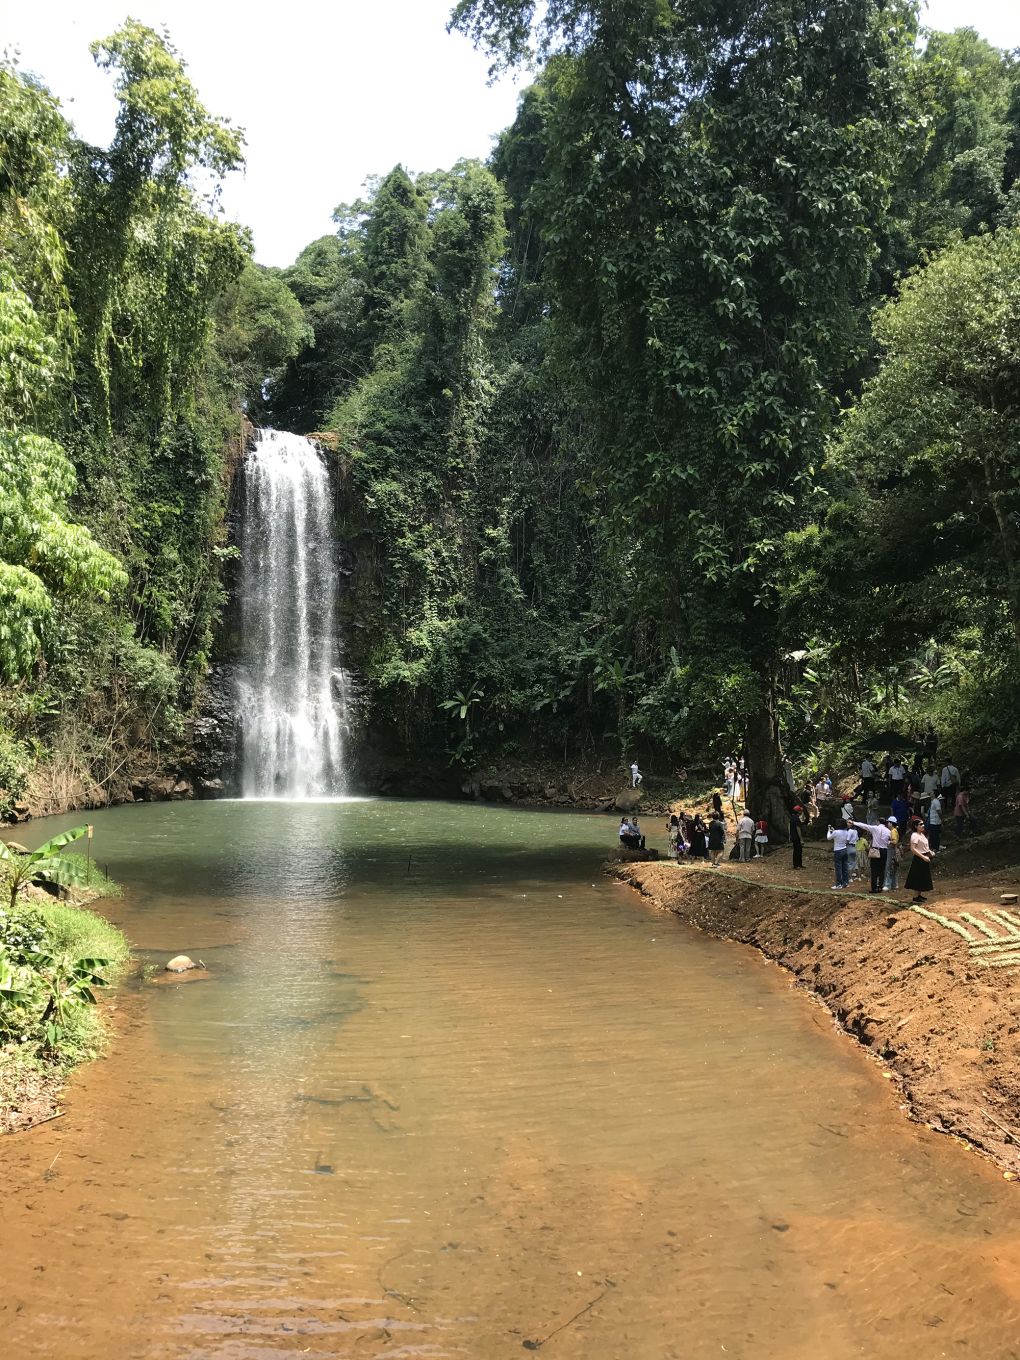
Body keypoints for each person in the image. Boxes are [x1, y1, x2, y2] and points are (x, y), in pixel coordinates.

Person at [849, 816, 894, 894]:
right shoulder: (888, 831)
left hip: (875, 850)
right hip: (884, 850)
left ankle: (874, 887)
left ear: (878, 822)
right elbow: (888, 841)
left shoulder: (875, 828)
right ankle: (880, 886)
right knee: (882, 869)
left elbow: (864, 825)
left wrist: (853, 823)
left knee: (874, 869)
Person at [904, 815, 934, 901]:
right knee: (918, 877)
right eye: (921, 824)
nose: (923, 826)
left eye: (923, 824)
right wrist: (923, 857)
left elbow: (925, 846)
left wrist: (930, 851)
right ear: (916, 826)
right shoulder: (915, 835)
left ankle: (919, 895)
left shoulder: (922, 835)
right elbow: (913, 849)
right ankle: (915, 896)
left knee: (922, 877)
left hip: (924, 856)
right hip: (919, 858)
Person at [827, 821, 854, 889]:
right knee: (845, 867)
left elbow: (829, 837)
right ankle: (846, 882)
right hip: (844, 849)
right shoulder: (846, 832)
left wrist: (829, 831)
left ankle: (838, 884)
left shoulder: (836, 832)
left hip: (838, 851)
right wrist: (833, 831)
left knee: (838, 868)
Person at [885, 818, 900, 891]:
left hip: (891, 849)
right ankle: (895, 883)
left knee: (889, 867)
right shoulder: (895, 830)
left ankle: (888, 885)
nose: (888, 824)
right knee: (894, 867)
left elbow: (894, 842)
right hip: (893, 849)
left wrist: (887, 842)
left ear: (891, 823)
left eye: (888, 822)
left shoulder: (893, 831)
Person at [790, 805, 804, 870]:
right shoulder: (796, 819)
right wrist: (801, 839)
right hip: (796, 837)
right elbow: (798, 829)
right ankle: (797, 865)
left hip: (793, 836)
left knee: (798, 850)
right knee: (797, 851)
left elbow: (788, 825)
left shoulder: (792, 817)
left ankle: (799, 864)